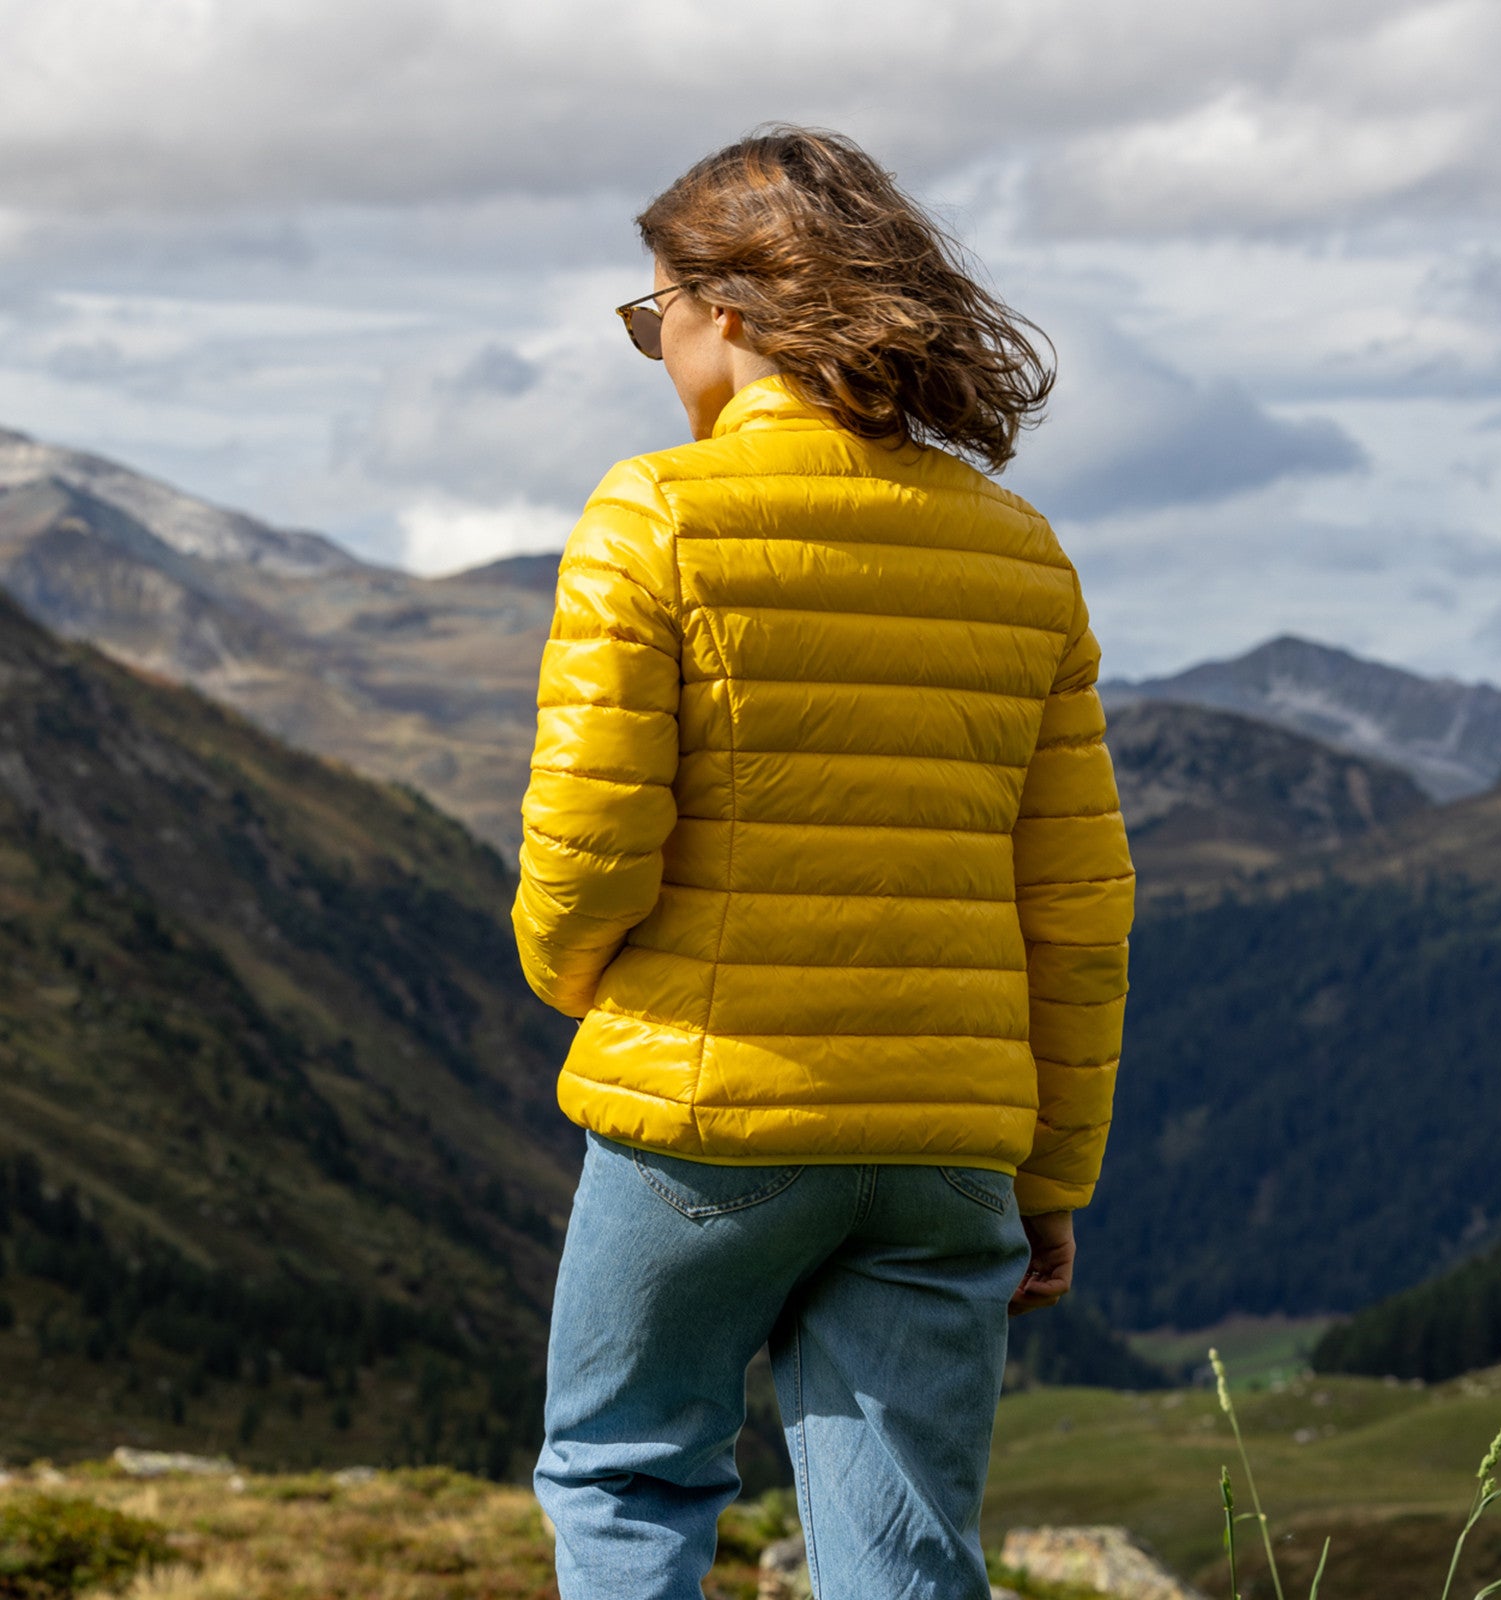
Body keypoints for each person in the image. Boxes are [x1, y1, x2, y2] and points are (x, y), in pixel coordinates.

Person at [512, 126, 1134, 1600]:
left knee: (627, 1471)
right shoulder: (1020, 551)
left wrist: (574, 980)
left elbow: (589, 849)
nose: (657, 349)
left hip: (707, 1110)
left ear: (727, 310)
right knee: (903, 1538)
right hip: (946, 1144)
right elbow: (1076, 911)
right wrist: (1051, 1173)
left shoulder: (655, 515)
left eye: (652, 314)